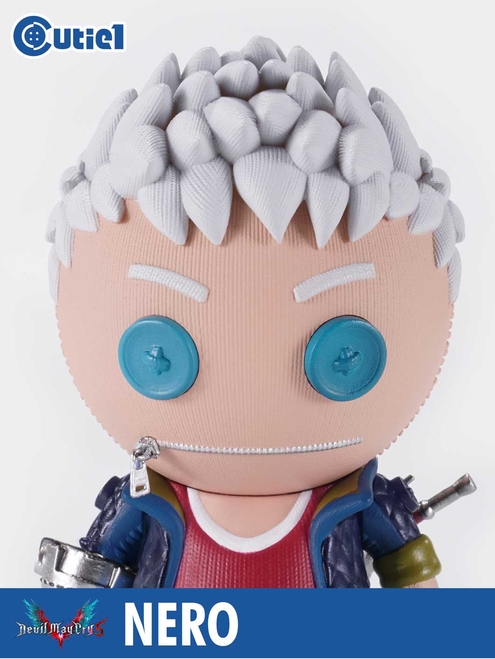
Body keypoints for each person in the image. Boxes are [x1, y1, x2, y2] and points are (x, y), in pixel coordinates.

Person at [41, 36, 465, 588]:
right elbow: (83, 591)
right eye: (159, 356)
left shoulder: (364, 501)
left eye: (343, 357)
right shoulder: (142, 500)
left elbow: (420, 595)